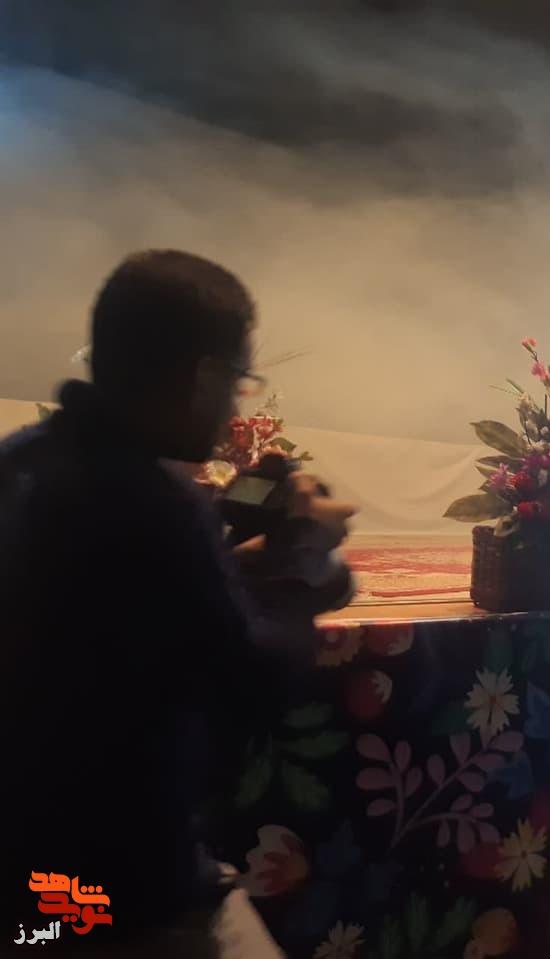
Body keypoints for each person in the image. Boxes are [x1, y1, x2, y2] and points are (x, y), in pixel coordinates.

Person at [0, 251, 357, 956]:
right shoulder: (157, 506)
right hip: (122, 899)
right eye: (239, 382)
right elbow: (251, 678)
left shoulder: (22, 461)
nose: (235, 407)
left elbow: (119, 597)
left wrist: (227, 542)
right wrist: (305, 571)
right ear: (205, 376)